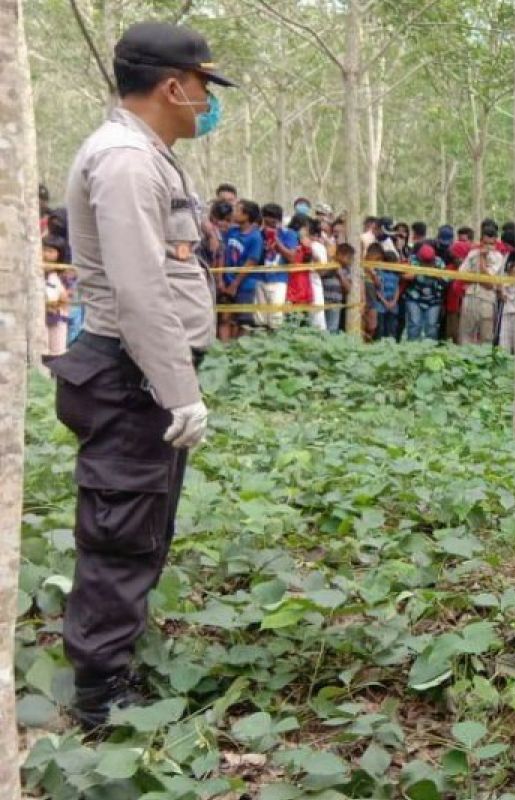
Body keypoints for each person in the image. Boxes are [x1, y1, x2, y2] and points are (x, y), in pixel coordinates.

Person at [51, 21, 232, 730]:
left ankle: (117, 656)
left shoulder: (145, 154)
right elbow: (137, 290)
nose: (206, 103)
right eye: (203, 88)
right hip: (132, 377)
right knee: (122, 530)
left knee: (142, 523)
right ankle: (100, 696)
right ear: (172, 86)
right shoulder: (126, 161)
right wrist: (178, 391)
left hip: (143, 375)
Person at [220, 199, 264, 340]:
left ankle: (239, 352)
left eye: (238, 210)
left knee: (243, 322)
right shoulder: (231, 232)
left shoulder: (255, 237)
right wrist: (222, 279)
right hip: (227, 282)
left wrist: (235, 284)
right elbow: (222, 252)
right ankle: (224, 351)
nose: (234, 212)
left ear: (246, 215)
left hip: (245, 285)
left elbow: (251, 262)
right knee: (225, 318)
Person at [458, 222, 505, 345]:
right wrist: (480, 278)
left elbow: (488, 281)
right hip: (470, 296)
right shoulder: (472, 254)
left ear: (496, 242)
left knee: (486, 336)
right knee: (466, 334)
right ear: (481, 241)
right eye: (486, 243)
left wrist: (483, 259)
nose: (488, 247)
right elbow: (461, 274)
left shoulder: (498, 257)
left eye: (492, 244)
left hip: (487, 299)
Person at [258, 203, 297, 330]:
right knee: (260, 319)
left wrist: (275, 239)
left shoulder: (289, 234)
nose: (269, 225)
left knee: (276, 317)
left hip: (279, 279)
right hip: (259, 278)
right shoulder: (258, 234)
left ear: (278, 220)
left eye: (273, 222)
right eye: (266, 221)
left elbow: (291, 257)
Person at [405, 243, 446, 341]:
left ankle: (429, 351)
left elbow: (446, 280)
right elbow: (403, 276)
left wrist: (437, 274)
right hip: (414, 298)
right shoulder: (412, 260)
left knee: (432, 326)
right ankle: (412, 348)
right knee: (414, 324)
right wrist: (412, 275)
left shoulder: (439, 262)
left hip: (434, 299)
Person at [43, 237, 72, 357]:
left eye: (50, 251)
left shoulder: (63, 275)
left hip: (56, 317)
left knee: (56, 353)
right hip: (41, 317)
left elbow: (66, 298)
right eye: (44, 250)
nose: (45, 254)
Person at [322, 243, 353, 333]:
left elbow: (348, 288)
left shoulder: (347, 269)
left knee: (332, 329)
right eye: (349, 258)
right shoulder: (328, 262)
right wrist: (331, 267)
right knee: (320, 326)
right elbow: (320, 274)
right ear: (340, 255)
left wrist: (340, 274)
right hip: (323, 300)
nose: (350, 261)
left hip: (336, 302)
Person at [375, 252, 403, 340]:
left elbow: (397, 287)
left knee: (392, 328)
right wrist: (385, 302)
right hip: (381, 304)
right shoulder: (379, 273)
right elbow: (377, 290)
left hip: (393, 304)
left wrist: (394, 301)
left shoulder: (396, 274)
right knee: (381, 328)